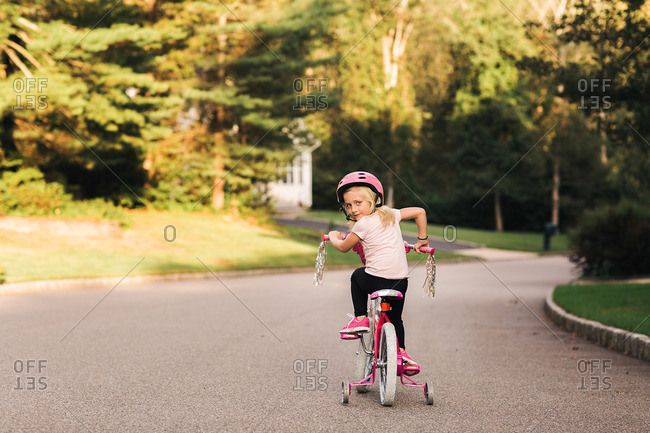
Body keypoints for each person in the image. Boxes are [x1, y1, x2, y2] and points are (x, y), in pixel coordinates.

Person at [328, 171, 429, 371]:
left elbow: (343, 247)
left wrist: (333, 236)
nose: (353, 209)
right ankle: (401, 352)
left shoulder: (363, 224)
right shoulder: (391, 214)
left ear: (374, 200)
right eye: (348, 205)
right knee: (396, 318)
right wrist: (422, 239)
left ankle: (359, 318)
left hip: (375, 280)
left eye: (358, 203)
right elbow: (420, 212)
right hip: (400, 282)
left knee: (357, 276)